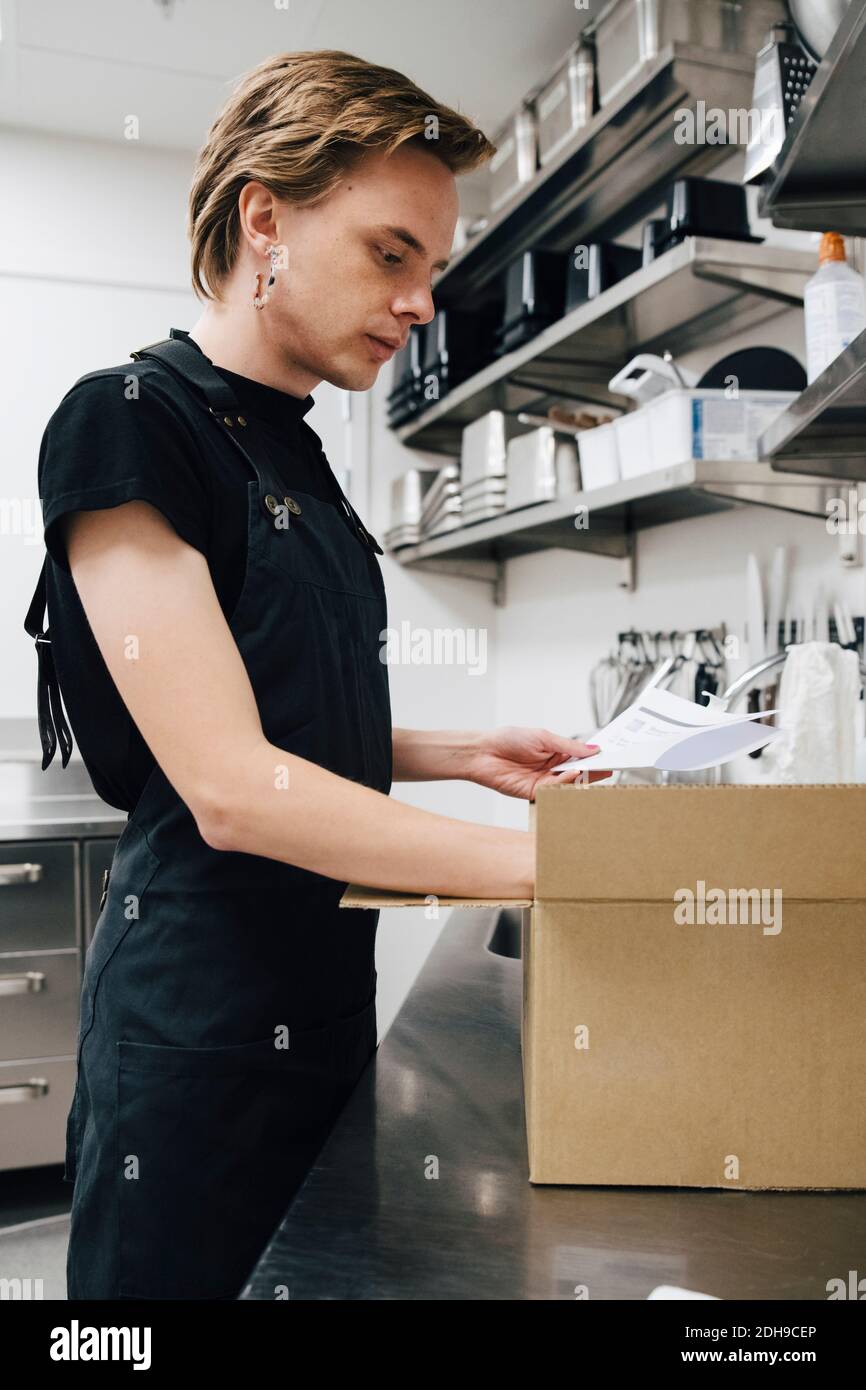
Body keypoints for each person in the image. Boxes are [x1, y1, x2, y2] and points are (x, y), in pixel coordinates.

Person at [26, 49, 600, 1301]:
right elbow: (227, 781)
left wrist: (454, 752)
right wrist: (578, 873)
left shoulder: (294, 449)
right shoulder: (129, 416)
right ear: (265, 217)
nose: (417, 304)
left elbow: (277, 694)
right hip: (198, 1032)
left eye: (432, 271)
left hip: (320, 1004)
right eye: (392, 254)